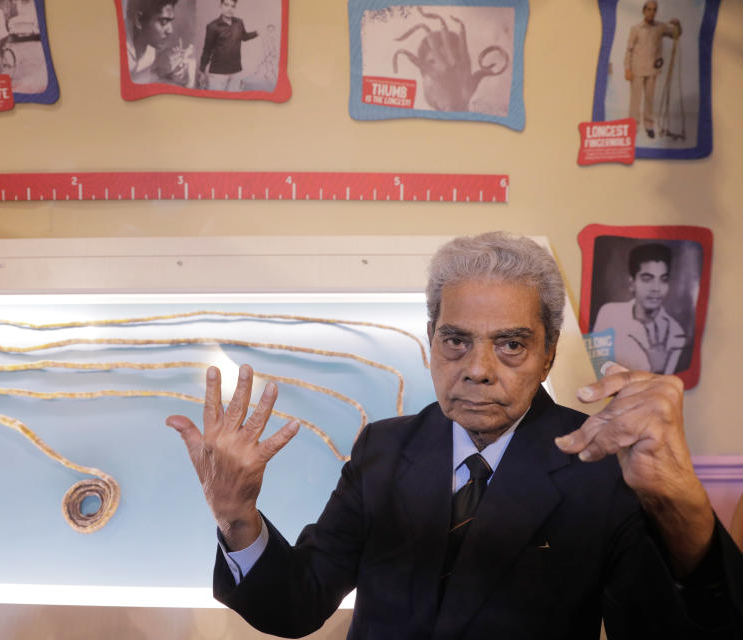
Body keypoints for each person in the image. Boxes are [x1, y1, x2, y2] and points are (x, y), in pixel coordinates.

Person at [166, 232, 742, 639]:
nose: (478, 368)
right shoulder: (384, 450)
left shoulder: (598, 463)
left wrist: (678, 498)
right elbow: (296, 605)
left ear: (547, 355)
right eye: (456, 340)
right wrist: (236, 517)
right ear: (430, 338)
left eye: (511, 344)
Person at [592, 243, 687, 375]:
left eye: (663, 279)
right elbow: (593, 368)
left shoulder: (675, 333)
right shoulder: (608, 313)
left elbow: (660, 390)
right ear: (632, 283)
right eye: (647, 279)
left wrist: (657, 369)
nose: (656, 288)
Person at [624, 1, 681, 139]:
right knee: (635, 99)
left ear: (656, 12)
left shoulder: (660, 27)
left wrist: (678, 25)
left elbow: (676, 35)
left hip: (652, 69)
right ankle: (633, 126)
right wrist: (627, 69)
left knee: (650, 99)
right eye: (648, 9)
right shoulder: (636, 28)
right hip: (637, 69)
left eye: (654, 10)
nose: (651, 12)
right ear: (644, 11)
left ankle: (649, 125)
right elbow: (629, 50)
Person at [125, 0, 194, 87]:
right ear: (138, 20)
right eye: (164, 22)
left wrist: (176, 74)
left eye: (170, 21)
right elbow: (123, 88)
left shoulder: (151, 45)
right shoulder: (116, 44)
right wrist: (156, 70)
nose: (170, 30)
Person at [198, 0, 257, 91]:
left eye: (232, 6)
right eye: (226, 5)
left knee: (233, 103)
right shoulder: (212, 26)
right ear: (220, 5)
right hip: (218, 74)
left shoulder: (239, 23)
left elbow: (244, 37)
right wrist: (202, 72)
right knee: (216, 103)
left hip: (236, 72)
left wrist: (257, 33)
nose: (229, 9)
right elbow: (207, 49)